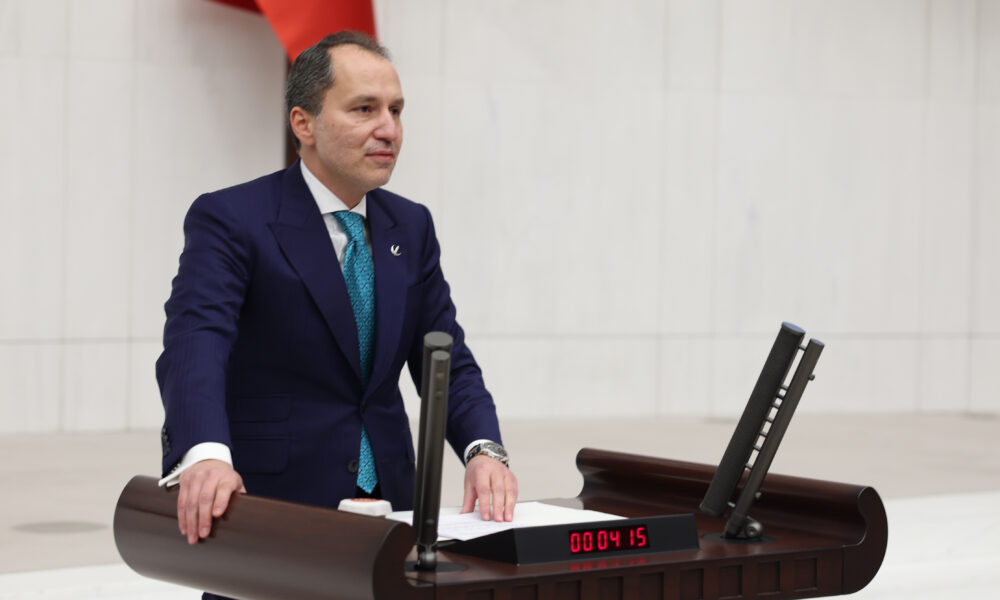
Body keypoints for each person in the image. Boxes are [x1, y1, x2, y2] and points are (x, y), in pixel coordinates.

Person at [156, 31, 518, 559]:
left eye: (396, 110)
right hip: (270, 510)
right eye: (364, 109)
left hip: (392, 510)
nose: (388, 128)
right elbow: (196, 343)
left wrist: (483, 449)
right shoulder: (233, 218)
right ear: (304, 123)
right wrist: (205, 453)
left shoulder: (411, 226)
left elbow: (447, 358)